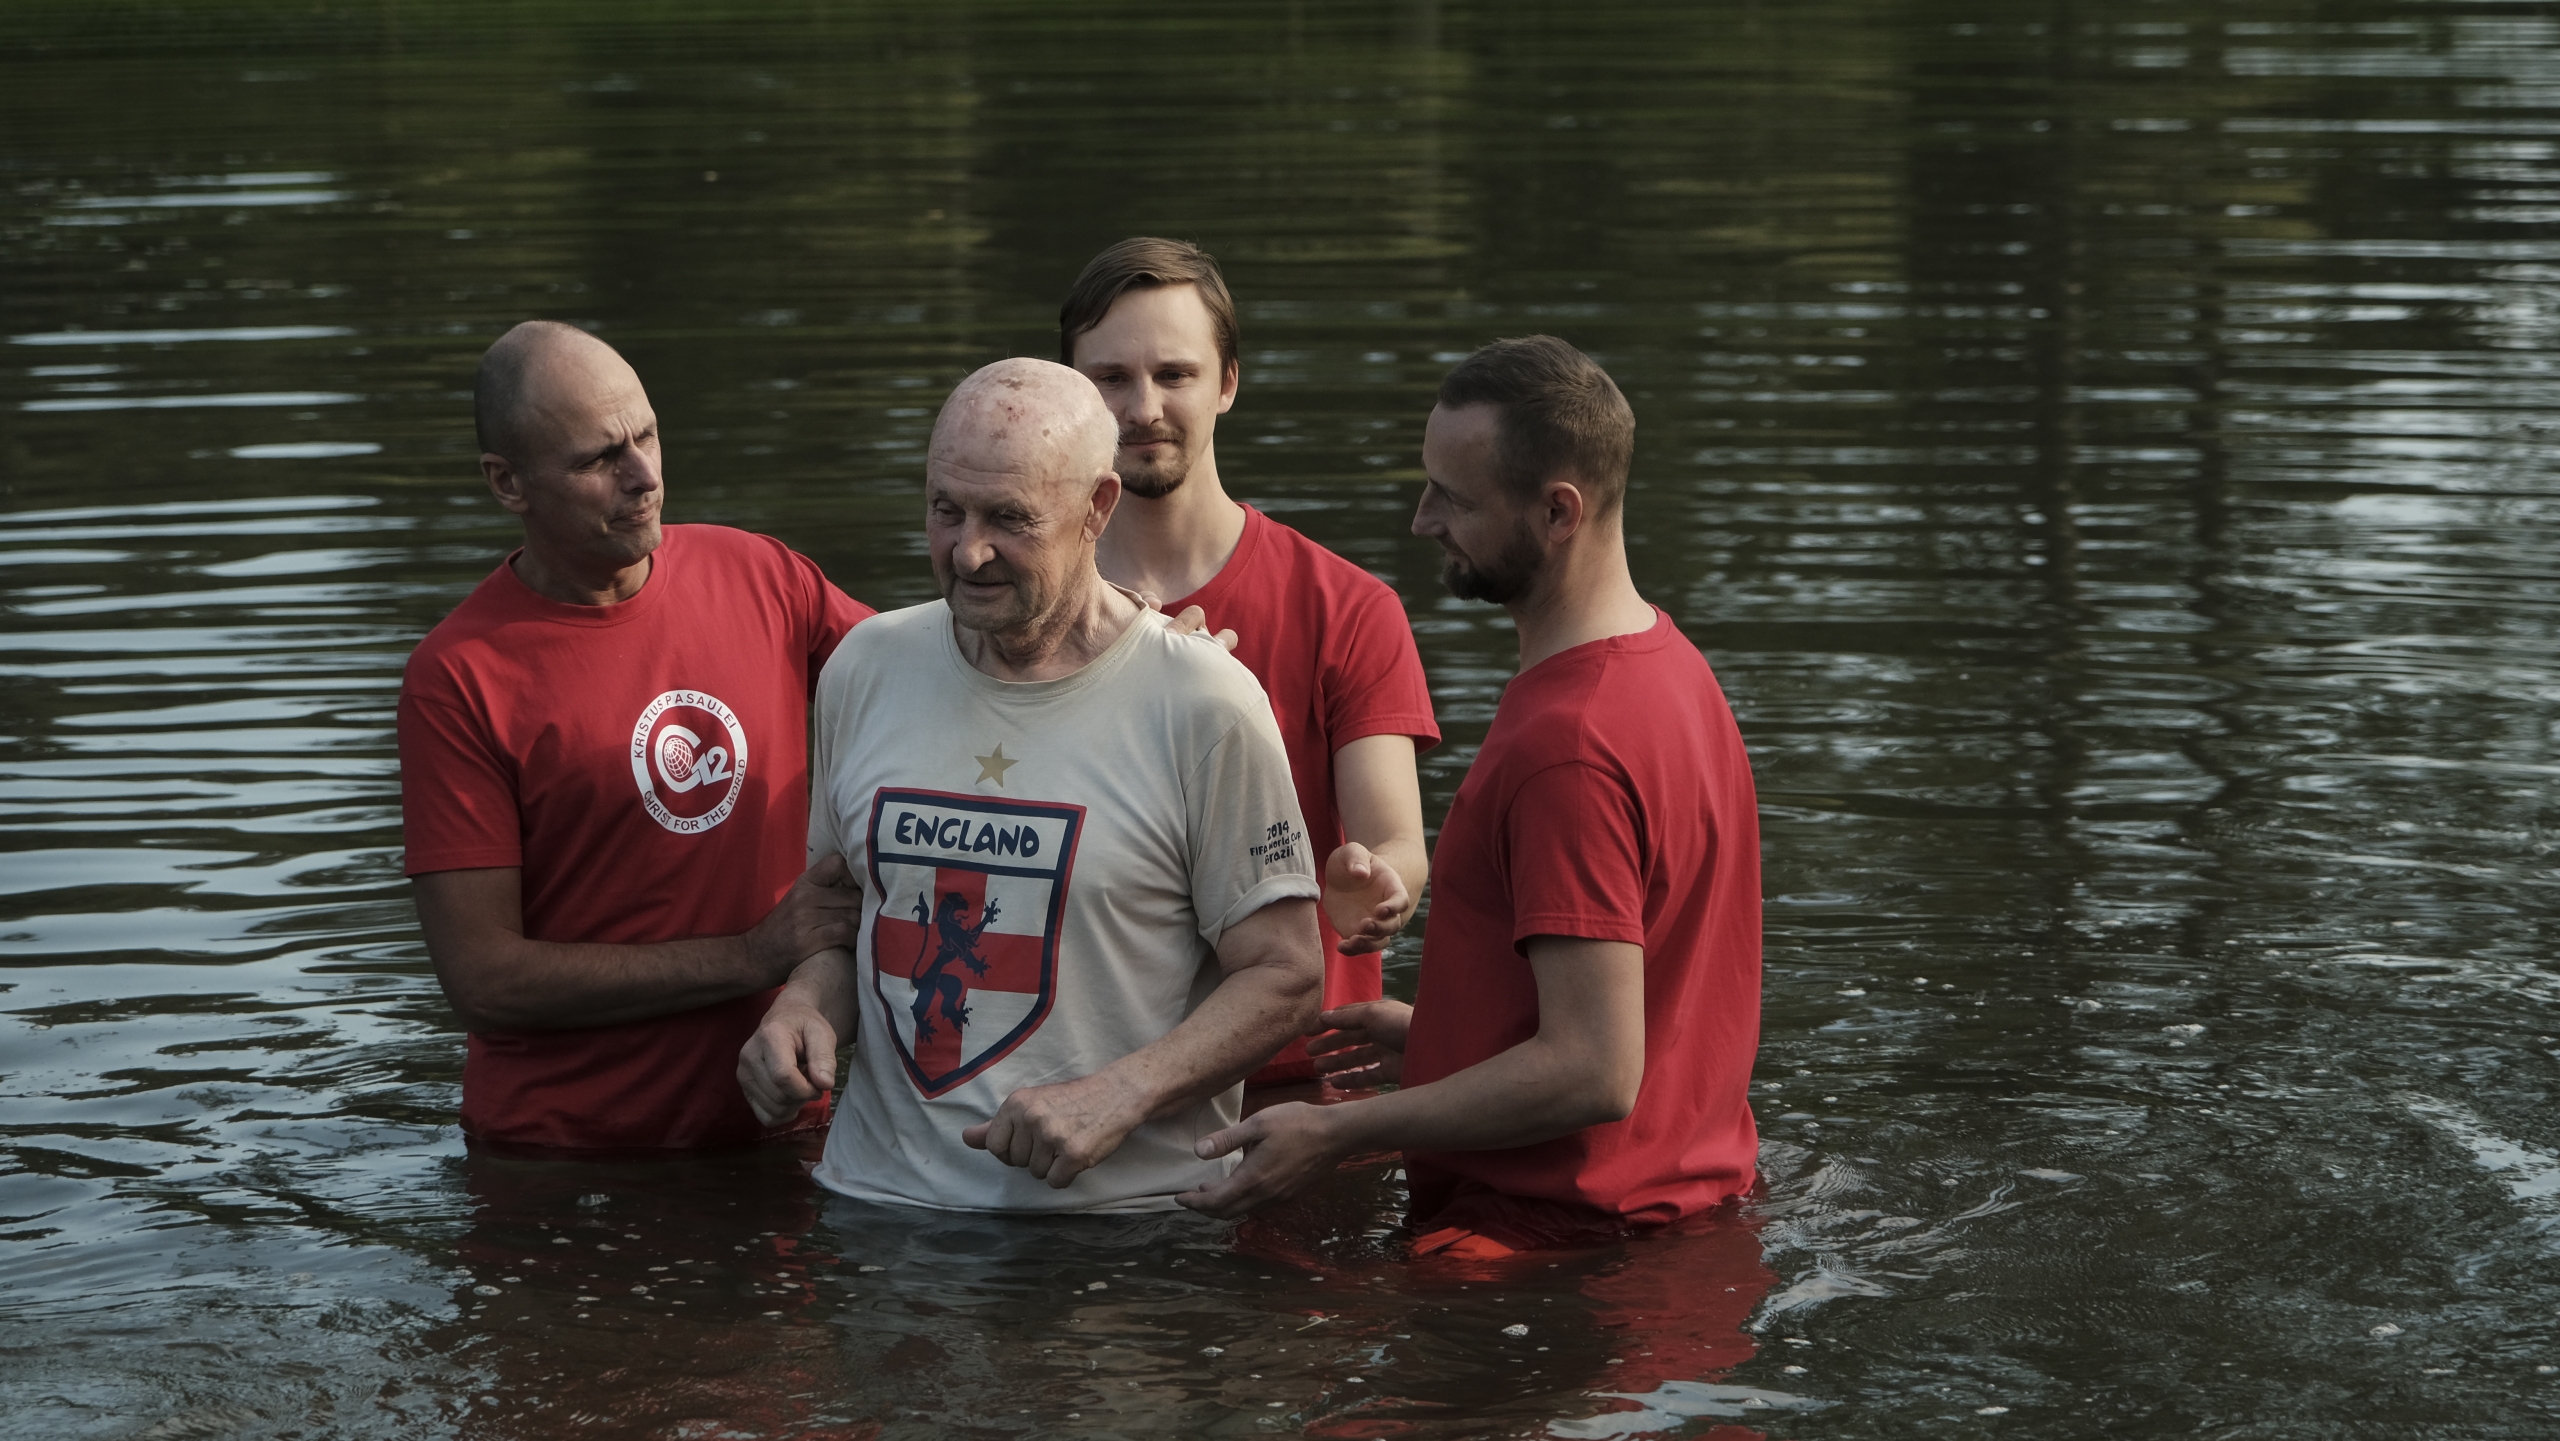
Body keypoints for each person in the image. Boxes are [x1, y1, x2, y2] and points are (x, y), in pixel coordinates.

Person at [1176, 336, 1764, 1253]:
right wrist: (1443, 1040)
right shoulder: (1673, 668)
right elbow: (1643, 1009)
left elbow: (1595, 1070)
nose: (1422, 520)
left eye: (1454, 497)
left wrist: (1341, 1129)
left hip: (1551, 1247)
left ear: (1558, 511)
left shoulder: (1568, 744)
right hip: (1687, 1216)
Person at [737, 358, 1325, 1212]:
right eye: (946, 509)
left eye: (1009, 518)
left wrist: (1121, 1094)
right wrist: (801, 1009)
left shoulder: (1206, 703)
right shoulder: (865, 667)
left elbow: (1287, 974)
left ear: (1098, 507)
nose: (968, 550)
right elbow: (843, 923)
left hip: (1119, 1230)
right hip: (874, 1211)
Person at [399, 321, 871, 1152]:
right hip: (563, 1160)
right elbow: (484, 979)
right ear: (508, 482)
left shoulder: (762, 576)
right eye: (599, 458)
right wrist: (752, 954)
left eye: (647, 435)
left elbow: (938, 683)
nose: (644, 476)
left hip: (783, 1129)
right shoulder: (459, 676)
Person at [1060, 238, 1439, 1087]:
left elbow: (1395, 840)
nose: (1143, 408)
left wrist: (1378, 882)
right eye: (1111, 378)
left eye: (1175, 374)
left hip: (1302, 1087)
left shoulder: (1348, 607)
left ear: (1228, 382)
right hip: (1085, 1078)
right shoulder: (1026, 604)